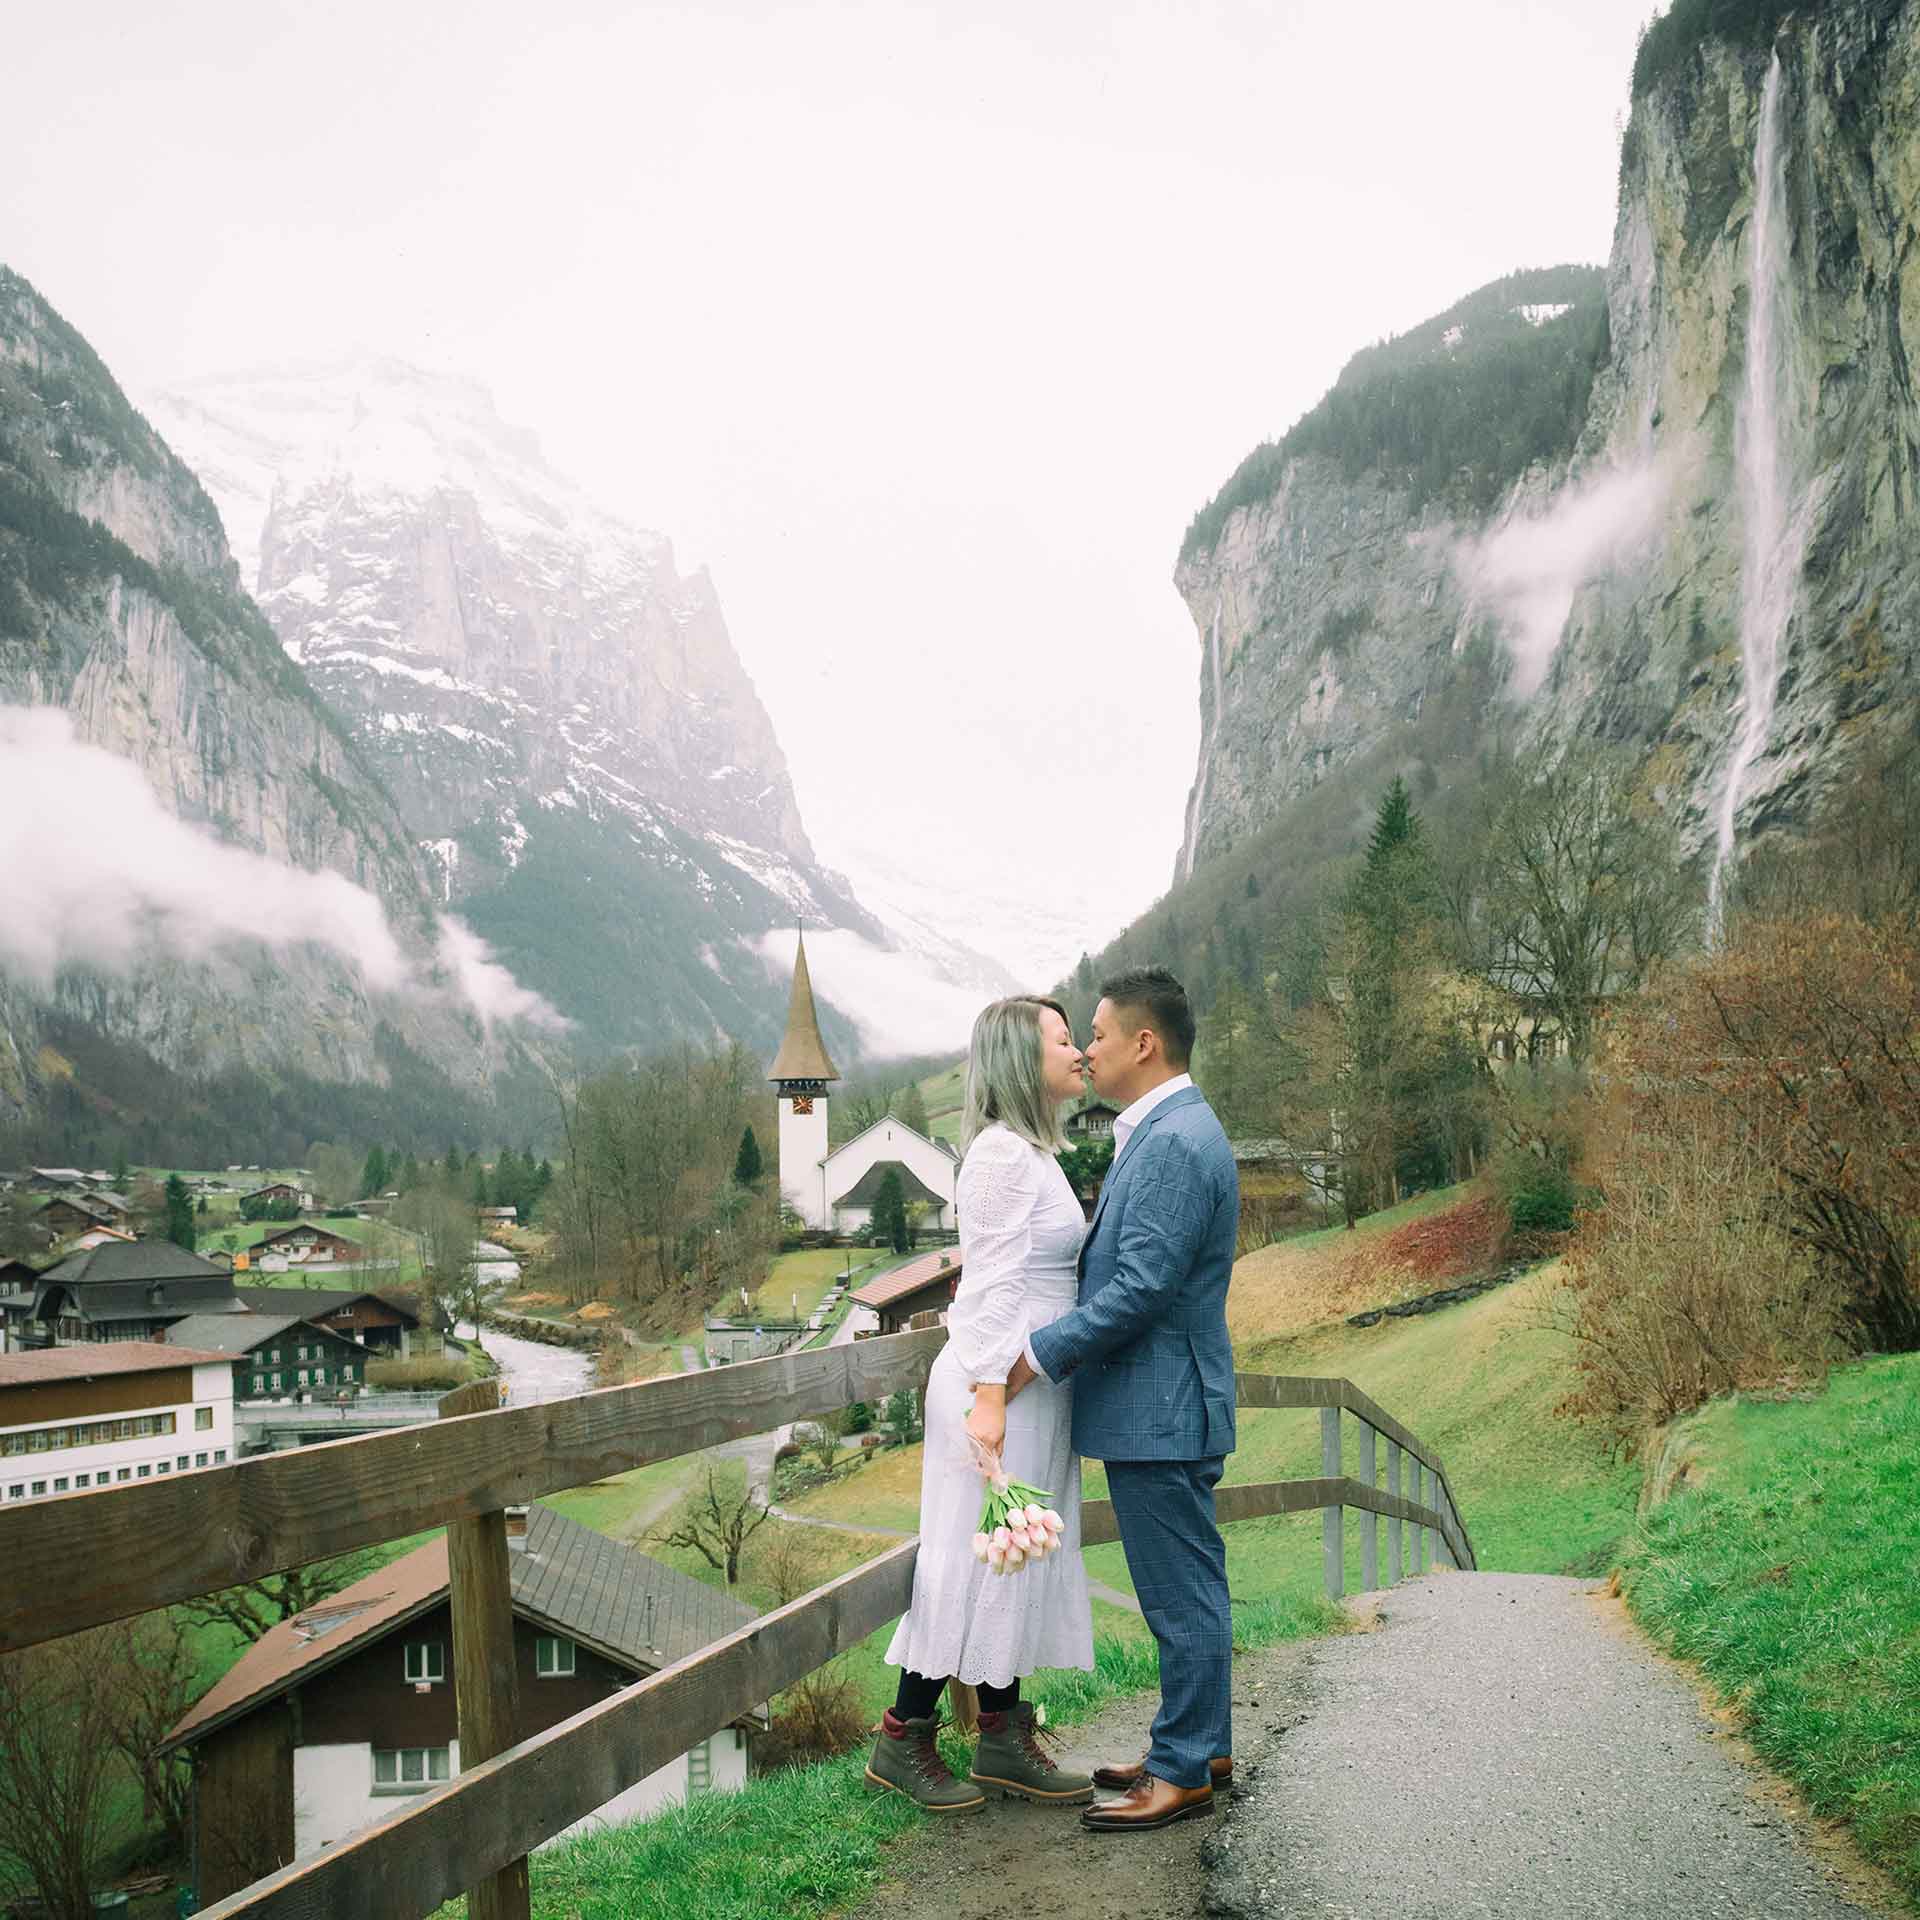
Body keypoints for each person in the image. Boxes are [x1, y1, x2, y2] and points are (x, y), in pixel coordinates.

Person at [1010, 966, 1239, 1833]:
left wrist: (1037, 1353)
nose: (1088, 1047)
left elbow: (1140, 1287)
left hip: (1163, 1409)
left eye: (1098, 1034)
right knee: (1191, 1588)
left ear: (1144, 1044)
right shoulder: (1166, 1130)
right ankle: (1199, 1744)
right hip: (1167, 1404)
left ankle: (1182, 1770)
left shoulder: (1175, 1142)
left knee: (1179, 1599)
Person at [867, 995, 1097, 1814]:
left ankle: (1001, 1732)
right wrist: (992, 1400)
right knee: (969, 1556)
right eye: (1064, 1040)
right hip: (998, 1392)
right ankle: (903, 1736)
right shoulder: (1000, 1157)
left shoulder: (1033, 1154)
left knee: (1016, 1551)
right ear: (1018, 1061)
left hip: (1032, 1388)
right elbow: (993, 1289)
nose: (1079, 1052)